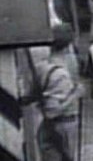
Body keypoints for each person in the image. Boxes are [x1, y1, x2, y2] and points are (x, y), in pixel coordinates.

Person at [24, 24, 84, 161]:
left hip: (45, 128)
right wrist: (76, 94)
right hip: (63, 127)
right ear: (69, 46)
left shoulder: (40, 68)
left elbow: (30, 96)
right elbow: (53, 111)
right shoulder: (61, 75)